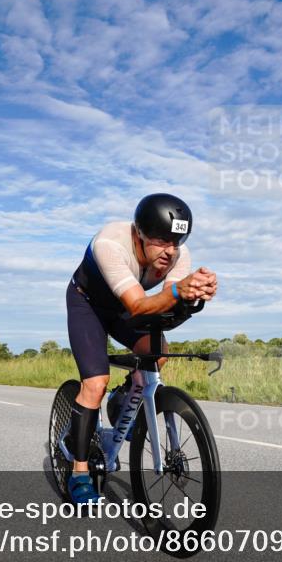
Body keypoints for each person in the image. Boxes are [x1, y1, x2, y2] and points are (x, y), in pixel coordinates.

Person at [64, 193, 217, 504]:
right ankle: (79, 472)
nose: (170, 251)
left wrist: (192, 298)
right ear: (139, 232)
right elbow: (137, 304)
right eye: (161, 240)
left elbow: (164, 308)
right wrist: (178, 289)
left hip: (125, 307)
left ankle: (125, 401)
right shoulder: (110, 244)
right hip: (88, 305)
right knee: (95, 384)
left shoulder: (178, 254)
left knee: (157, 352)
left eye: (177, 241)